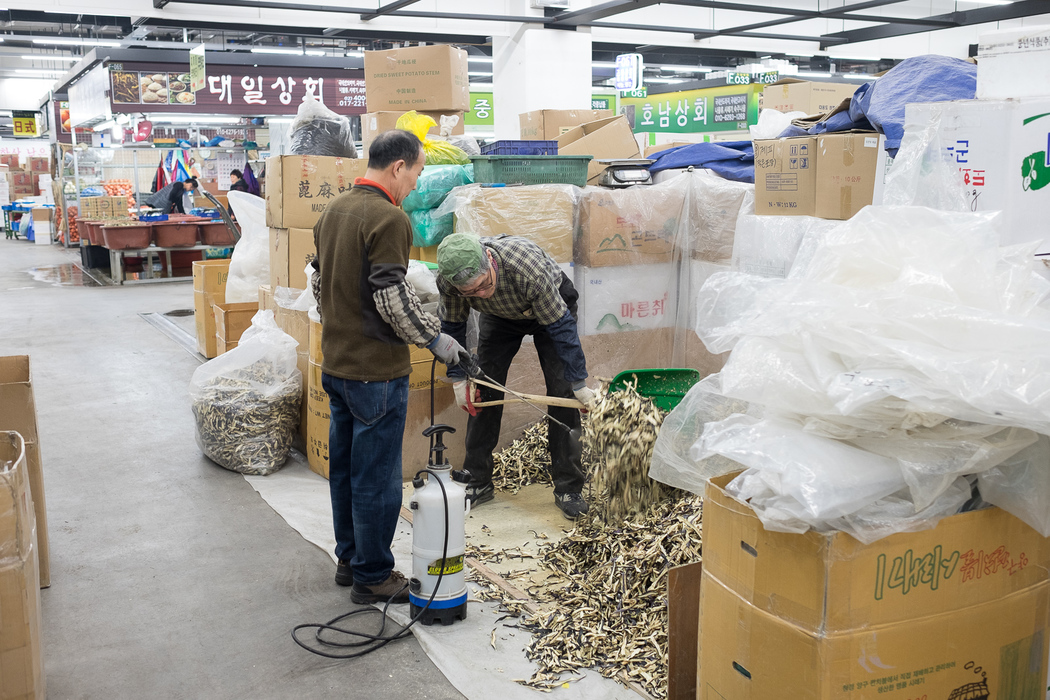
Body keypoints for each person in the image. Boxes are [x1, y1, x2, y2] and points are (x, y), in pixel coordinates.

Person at [312, 129, 468, 605]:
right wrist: (436, 339)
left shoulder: (334, 210)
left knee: (344, 470)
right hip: (375, 374)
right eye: (417, 172)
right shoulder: (388, 217)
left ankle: (350, 559)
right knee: (376, 477)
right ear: (398, 166)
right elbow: (390, 295)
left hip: (336, 364)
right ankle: (374, 575)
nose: (417, 184)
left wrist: (341, 325)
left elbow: (318, 284)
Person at [435, 233, 596, 520]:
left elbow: (561, 329)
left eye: (484, 285)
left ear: (490, 261)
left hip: (549, 310)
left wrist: (579, 382)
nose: (481, 293)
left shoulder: (526, 268)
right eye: (471, 293)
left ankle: (569, 487)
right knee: (483, 392)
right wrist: (459, 378)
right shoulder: (449, 283)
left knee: (562, 394)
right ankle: (478, 481)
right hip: (500, 317)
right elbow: (453, 328)